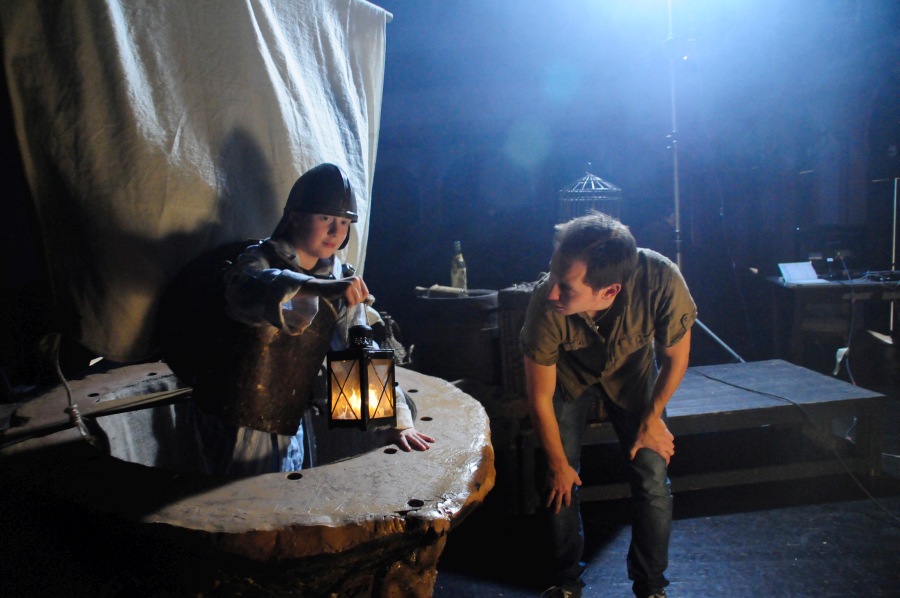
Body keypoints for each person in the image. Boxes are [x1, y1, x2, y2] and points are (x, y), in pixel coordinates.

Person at [191, 162, 434, 475]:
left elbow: (359, 348)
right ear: (295, 216)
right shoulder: (260, 260)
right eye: (325, 218)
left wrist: (397, 421)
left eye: (344, 222)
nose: (335, 231)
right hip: (240, 414)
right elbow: (246, 290)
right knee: (247, 497)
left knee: (290, 491)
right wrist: (316, 287)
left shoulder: (341, 278)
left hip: (290, 413)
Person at [520, 211, 696, 598]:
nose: (552, 293)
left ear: (609, 291)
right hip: (568, 375)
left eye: (566, 288)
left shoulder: (661, 279)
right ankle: (565, 582)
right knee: (558, 479)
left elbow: (676, 358)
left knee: (652, 474)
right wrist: (559, 463)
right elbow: (540, 396)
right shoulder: (545, 303)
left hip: (632, 373)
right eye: (552, 275)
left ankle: (651, 586)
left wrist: (651, 419)